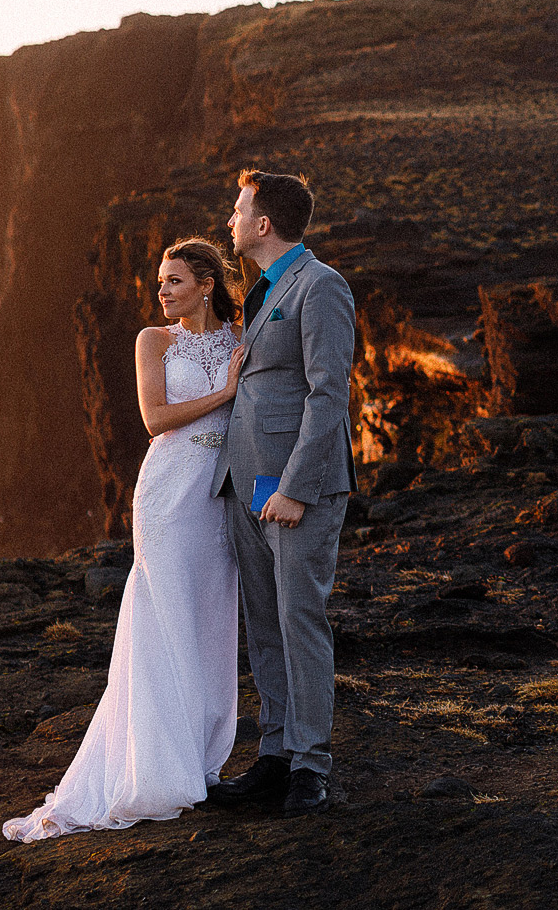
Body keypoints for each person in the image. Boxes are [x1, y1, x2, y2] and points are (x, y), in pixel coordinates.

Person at [3, 239, 247, 841]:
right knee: (163, 621)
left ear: (207, 285)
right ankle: (157, 767)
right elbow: (155, 419)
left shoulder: (242, 338)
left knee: (211, 621)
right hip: (168, 496)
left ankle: (201, 757)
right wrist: (226, 392)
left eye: (174, 281)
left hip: (220, 498)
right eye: (160, 281)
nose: (162, 291)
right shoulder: (153, 341)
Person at [205, 169, 356, 817]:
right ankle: (274, 756)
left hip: (298, 490)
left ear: (263, 223)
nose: (229, 221)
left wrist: (297, 488)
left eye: (238, 210)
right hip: (243, 484)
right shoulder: (260, 290)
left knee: (300, 621)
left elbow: (329, 394)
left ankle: (310, 768)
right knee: (264, 624)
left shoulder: (320, 286)